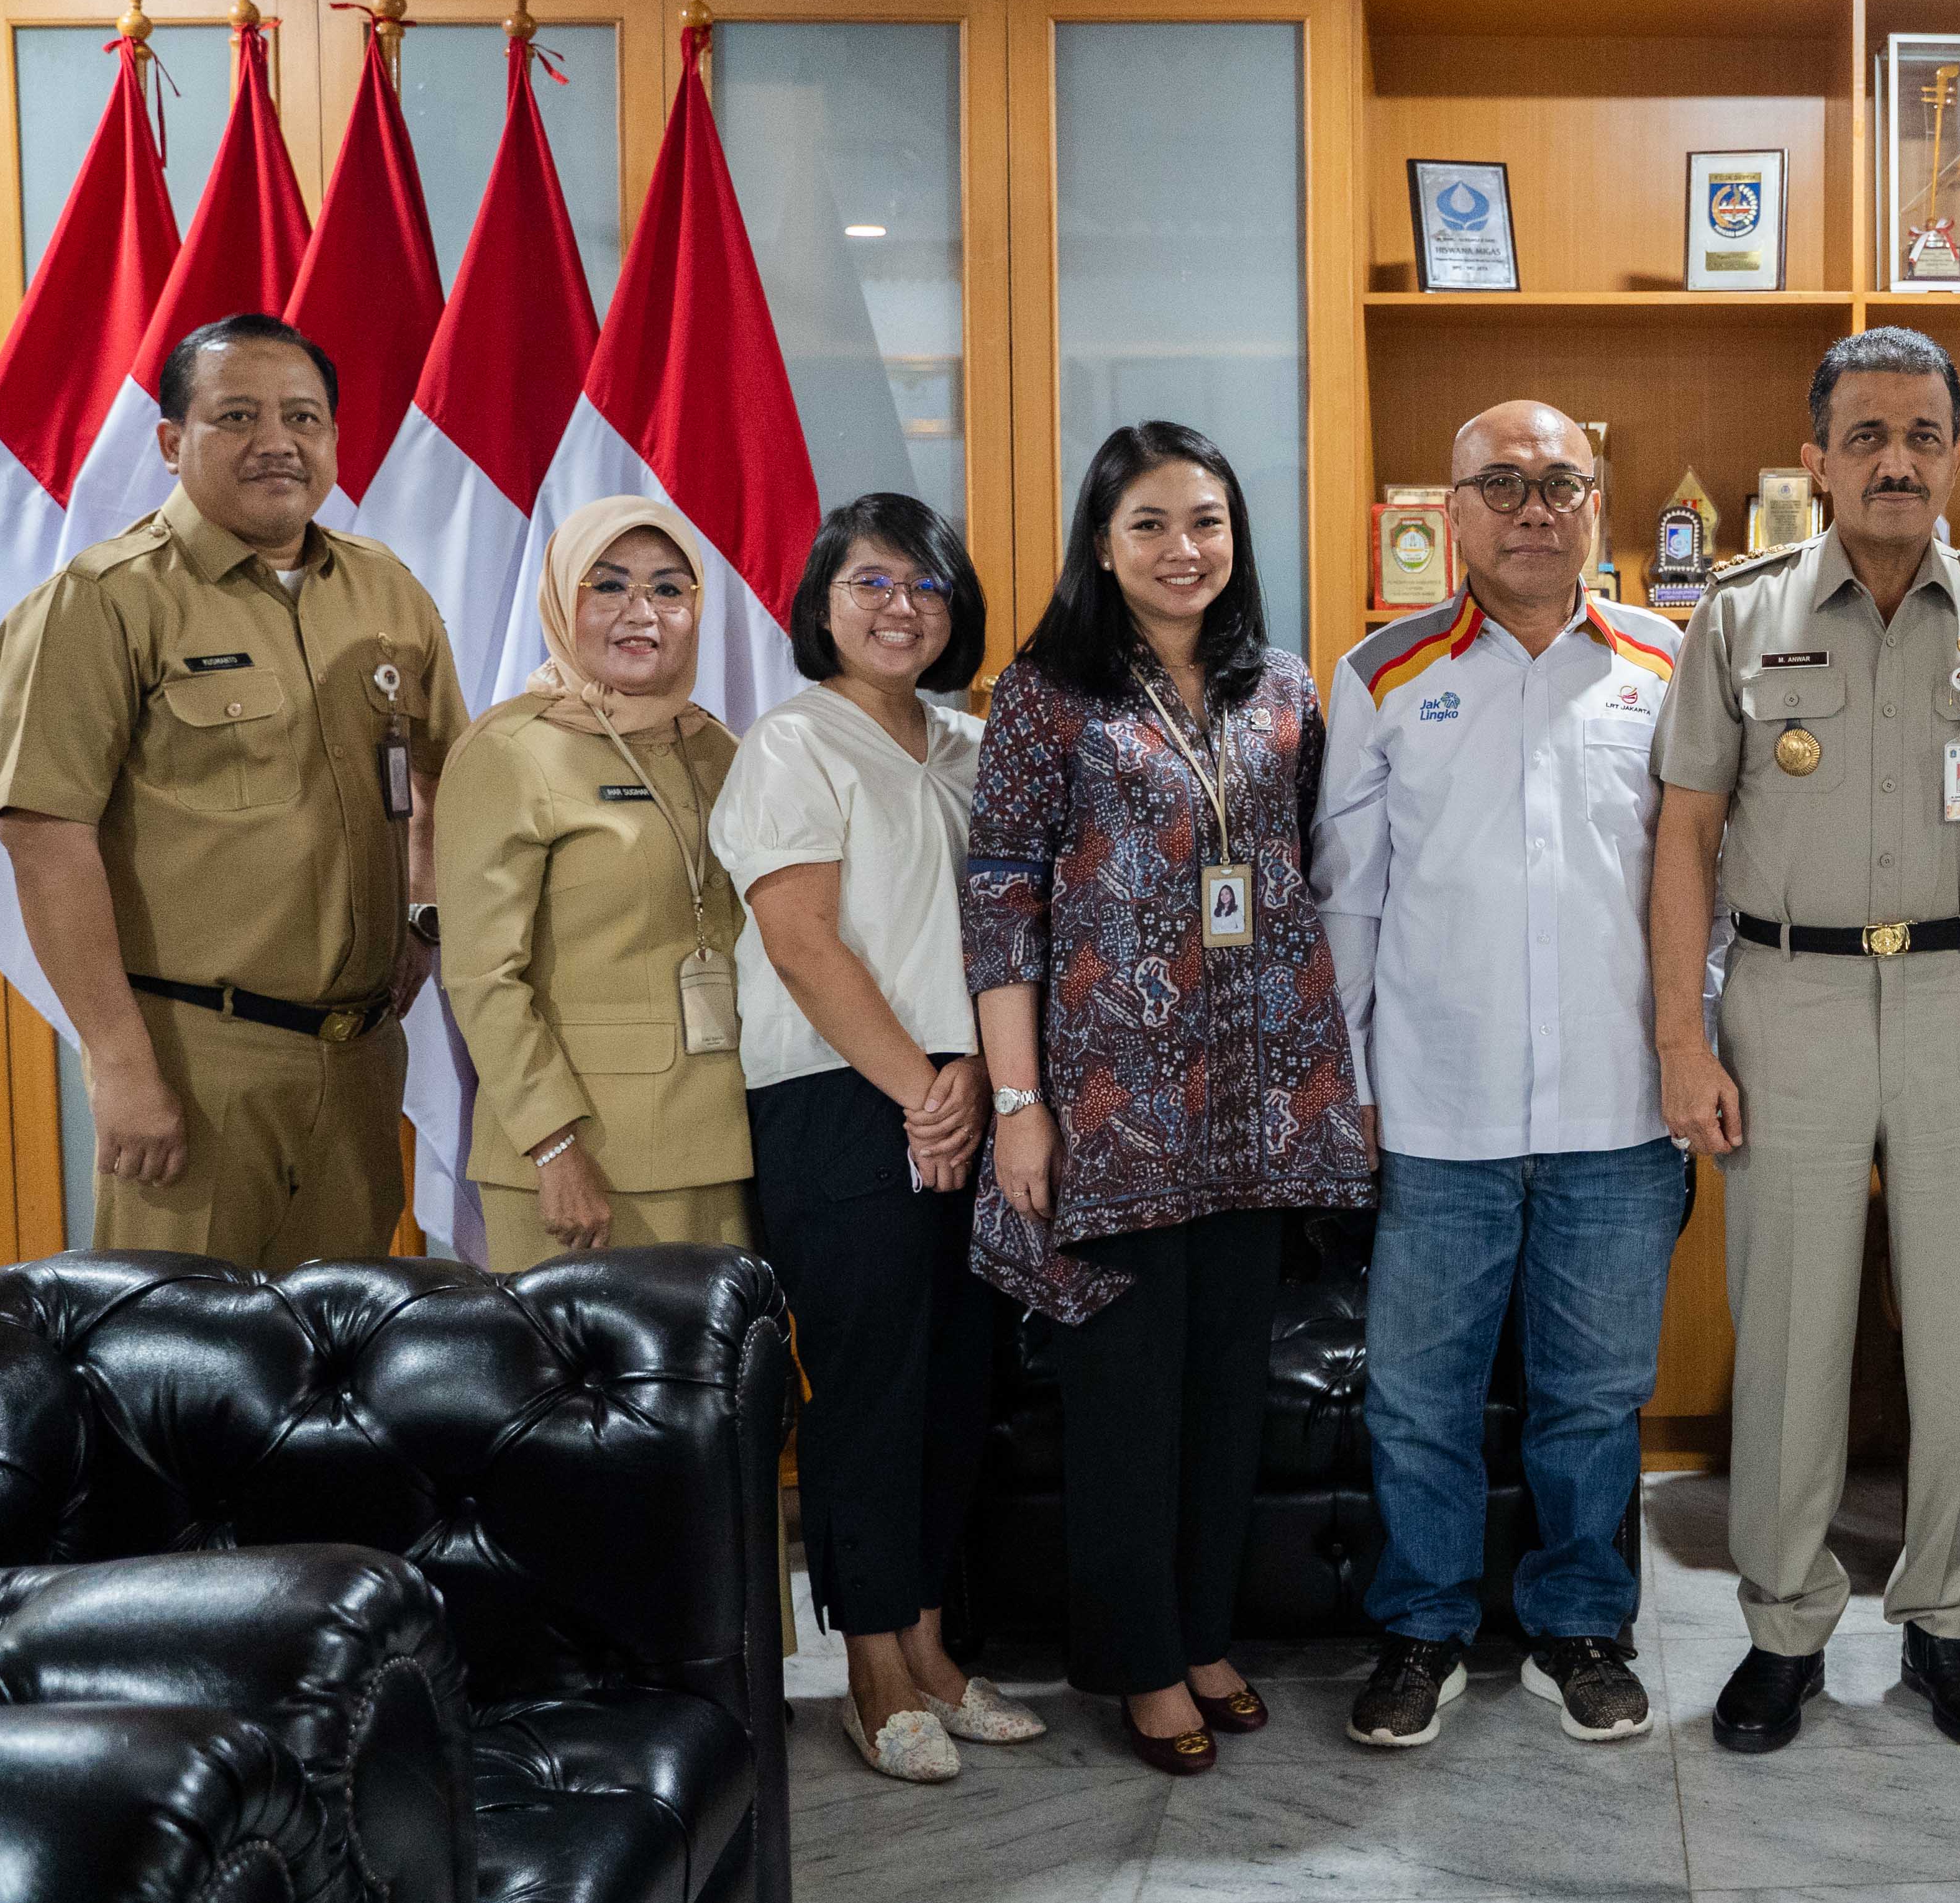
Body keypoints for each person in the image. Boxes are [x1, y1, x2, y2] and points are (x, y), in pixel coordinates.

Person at [1649, 326, 1960, 1756]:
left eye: (1919, 433)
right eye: (1864, 436)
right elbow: (1683, 837)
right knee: (1788, 1318)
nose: (1894, 459)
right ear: (1817, 461)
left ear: (1957, 454)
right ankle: (1784, 1624)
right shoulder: (1732, 616)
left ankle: (1948, 1622)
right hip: (1784, 1000)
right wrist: (1682, 1035)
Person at [966, 422, 1374, 1777]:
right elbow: (1001, 897)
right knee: (1127, 1401)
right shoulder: (1044, 694)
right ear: (1100, 542)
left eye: (1205, 520)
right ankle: (1139, 1658)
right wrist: (1018, 1098)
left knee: (1223, 1393)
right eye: (1148, 523)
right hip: (1113, 1104)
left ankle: (1203, 1633)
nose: (1181, 548)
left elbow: (1308, 866)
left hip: (1260, 1099)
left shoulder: (1285, 689)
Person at [1315, 402, 1690, 1751]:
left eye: (1560, 483)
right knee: (1418, 1397)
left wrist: (1692, 1046)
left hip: (1620, 1107)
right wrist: (1349, 1085)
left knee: (1592, 1393)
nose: (1533, 508)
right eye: (1502, 484)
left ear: (1599, 500)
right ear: (1450, 508)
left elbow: (1700, 881)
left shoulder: (1670, 660)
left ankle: (1579, 1624)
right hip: (1435, 1103)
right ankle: (1421, 1629)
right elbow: (1346, 899)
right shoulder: (1381, 671)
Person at [0, 315, 465, 1266]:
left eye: (304, 417)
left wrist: (423, 915)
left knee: (341, 1376)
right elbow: (47, 837)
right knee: (184, 1375)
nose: (277, 442)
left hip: (359, 1058)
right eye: (236, 416)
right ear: (172, 442)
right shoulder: (104, 600)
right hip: (196, 1060)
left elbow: (446, 775)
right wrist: (119, 1062)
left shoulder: (387, 592)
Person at [711, 493, 1033, 1788]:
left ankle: (937, 1653)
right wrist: (920, 1089)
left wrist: (972, 1088)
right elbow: (801, 943)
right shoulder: (791, 744)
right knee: (864, 1393)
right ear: (822, 603)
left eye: (927, 587)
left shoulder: (970, 743)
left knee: (955, 1386)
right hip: (843, 1104)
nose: (901, 607)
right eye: (872, 582)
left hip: (967, 1087)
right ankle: (870, 1671)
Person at [441, 496, 751, 1267]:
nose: (641, 612)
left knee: (713, 1389)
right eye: (608, 585)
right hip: (585, 1167)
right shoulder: (511, 751)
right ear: (561, 599)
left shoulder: (719, 749)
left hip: (728, 1148)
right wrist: (554, 1149)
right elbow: (483, 976)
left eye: (669, 588)